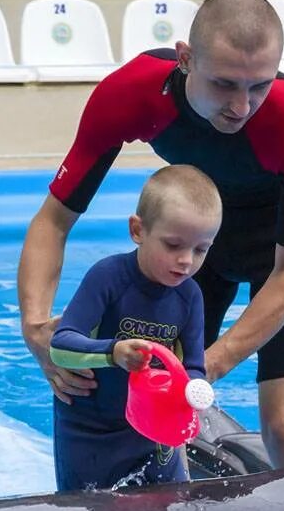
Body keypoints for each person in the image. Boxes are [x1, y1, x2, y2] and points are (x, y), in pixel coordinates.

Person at [18, 0, 284, 469]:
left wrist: (214, 361)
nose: (242, 106)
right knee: (136, 398)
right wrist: (36, 329)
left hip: (279, 251)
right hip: (193, 244)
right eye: (225, 84)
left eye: (259, 86)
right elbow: (54, 219)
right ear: (186, 59)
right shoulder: (133, 92)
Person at [49, 165, 221, 490]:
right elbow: (61, 345)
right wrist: (113, 352)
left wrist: (195, 388)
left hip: (150, 432)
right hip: (89, 430)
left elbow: (193, 366)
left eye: (201, 249)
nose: (187, 260)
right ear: (138, 230)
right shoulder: (108, 278)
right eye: (173, 245)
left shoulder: (190, 296)